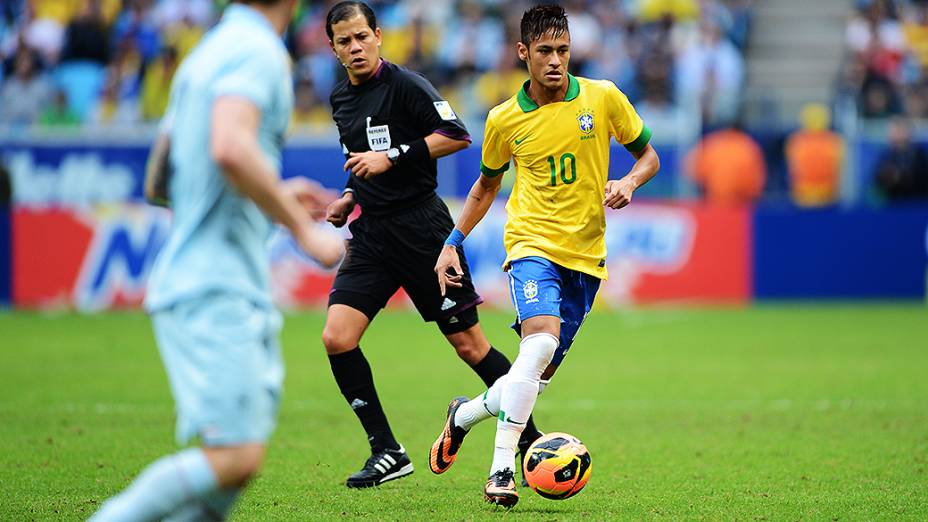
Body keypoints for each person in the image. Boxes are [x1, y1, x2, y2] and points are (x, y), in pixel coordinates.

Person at [90, 1, 344, 520]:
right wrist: (303, 232)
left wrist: (275, 194)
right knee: (234, 458)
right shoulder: (258, 51)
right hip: (216, 282)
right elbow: (230, 147)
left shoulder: (204, 54)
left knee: (224, 477)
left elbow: (161, 180)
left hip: (203, 276)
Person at [429, 4, 659, 507]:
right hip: (531, 246)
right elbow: (485, 187)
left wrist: (629, 182)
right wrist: (453, 242)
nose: (555, 61)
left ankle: (463, 415)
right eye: (544, 51)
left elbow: (649, 155)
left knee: (533, 374)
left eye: (562, 50)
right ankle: (500, 471)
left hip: (587, 259)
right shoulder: (504, 119)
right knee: (537, 347)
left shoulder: (602, 98)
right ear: (522, 53)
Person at [321, 0, 543, 489]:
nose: (355, 47)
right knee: (337, 337)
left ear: (378, 35)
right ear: (332, 48)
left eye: (362, 37)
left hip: (423, 231)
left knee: (470, 345)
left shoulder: (406, 85)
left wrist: (393, 157)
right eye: (345, 41)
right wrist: (349, 196)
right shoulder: (340, 99)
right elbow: (362, 161)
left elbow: (457, 135)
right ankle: (387, 451)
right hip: (372, 233)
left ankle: (530, 442)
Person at [685, 122, 765, 204]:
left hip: (712, 202)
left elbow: (692, 169)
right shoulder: (748, 147)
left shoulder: (712, 143)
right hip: (739, 204)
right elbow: (755, 183)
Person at [785, 103, 844, 207]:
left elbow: (791, 170)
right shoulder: (835, 141)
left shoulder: (795, 141)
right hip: (825, 197)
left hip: (806, 197)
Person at [874, 116, 928, 201]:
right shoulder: (885, 155)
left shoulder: (919, 154)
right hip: (892, 203)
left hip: (917, 204)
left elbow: (921, 178)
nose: (896, 135)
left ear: (909, 133)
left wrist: (900, 177)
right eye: (893, 131)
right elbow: (877, 179)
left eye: (899, 130)